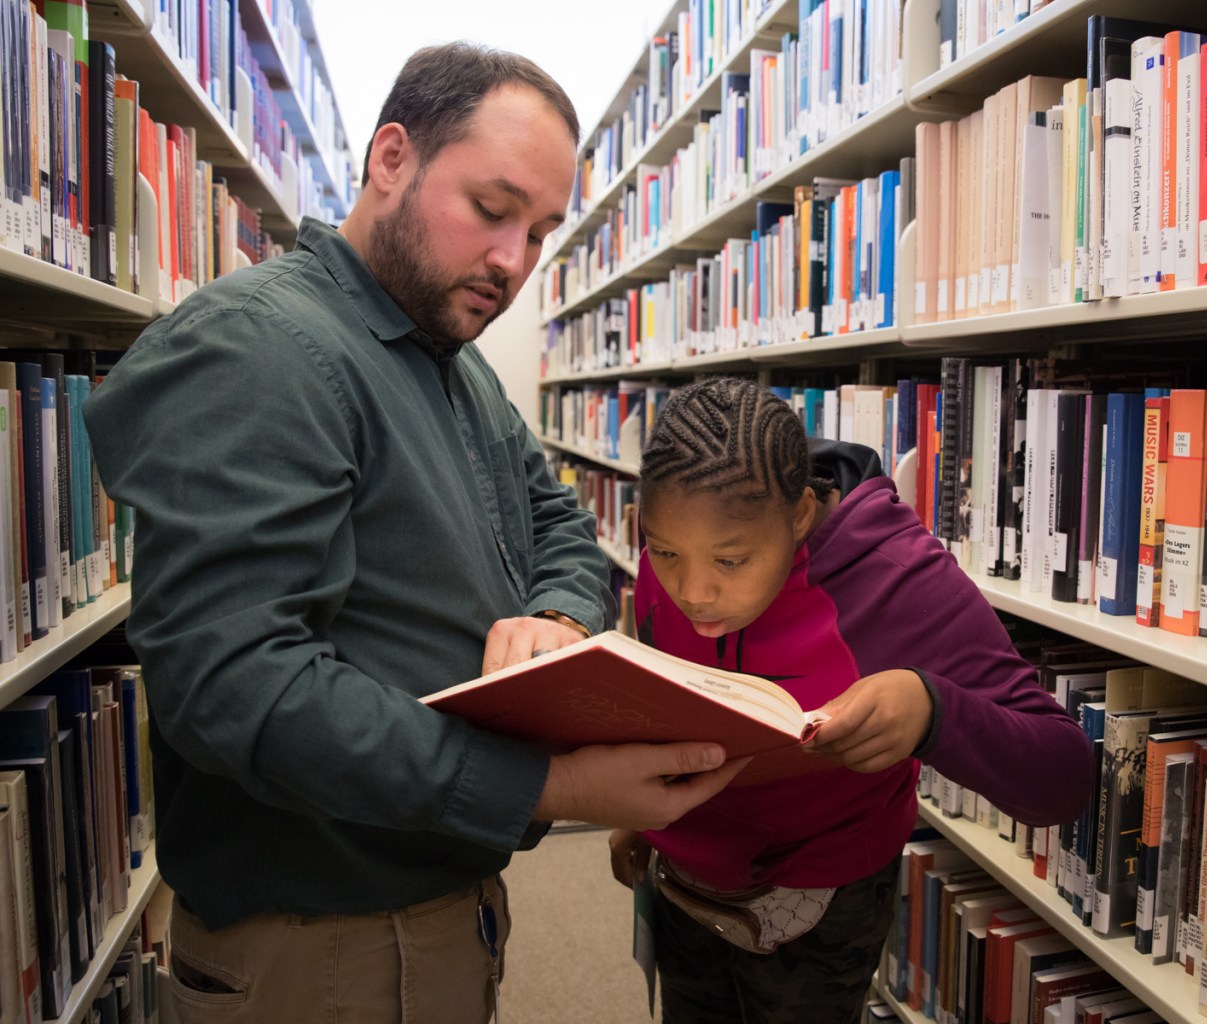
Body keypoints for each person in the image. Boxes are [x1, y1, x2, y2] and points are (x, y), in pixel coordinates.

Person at [84, 43, 742, 1022]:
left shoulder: (450, 359)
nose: (514, 261)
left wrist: (557, 617)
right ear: (391, 158)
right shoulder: (260, 349)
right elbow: (234, 684)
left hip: (429, 917)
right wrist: (546, 781)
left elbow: (559, 517)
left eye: (542, 230)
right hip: (326, 950)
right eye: (491, 208)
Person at [607, 377, 1096, 1023]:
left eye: (732, 561)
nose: (692, 590)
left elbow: (1063, 779)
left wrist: (932, 710)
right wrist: (631, 809)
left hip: (820, 905)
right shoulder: (679, 537)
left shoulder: (899, 577)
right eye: (666, 552)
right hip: (682, 879)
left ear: (801, 515)